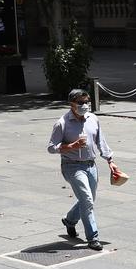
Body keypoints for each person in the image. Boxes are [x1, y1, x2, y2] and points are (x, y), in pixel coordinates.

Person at [48, 89, 117, 250]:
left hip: (91, 165)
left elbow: (101, 142)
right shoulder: (62, 123)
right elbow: (51, 148)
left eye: (86, 102)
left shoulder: (93, 119)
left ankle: (70, 220)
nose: (84, 105)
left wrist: (110, 161)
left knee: (89, 199)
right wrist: (71, 146)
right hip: (72, 165)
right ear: (71, 104)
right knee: (87, 200)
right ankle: (93, 238)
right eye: (80, 103)